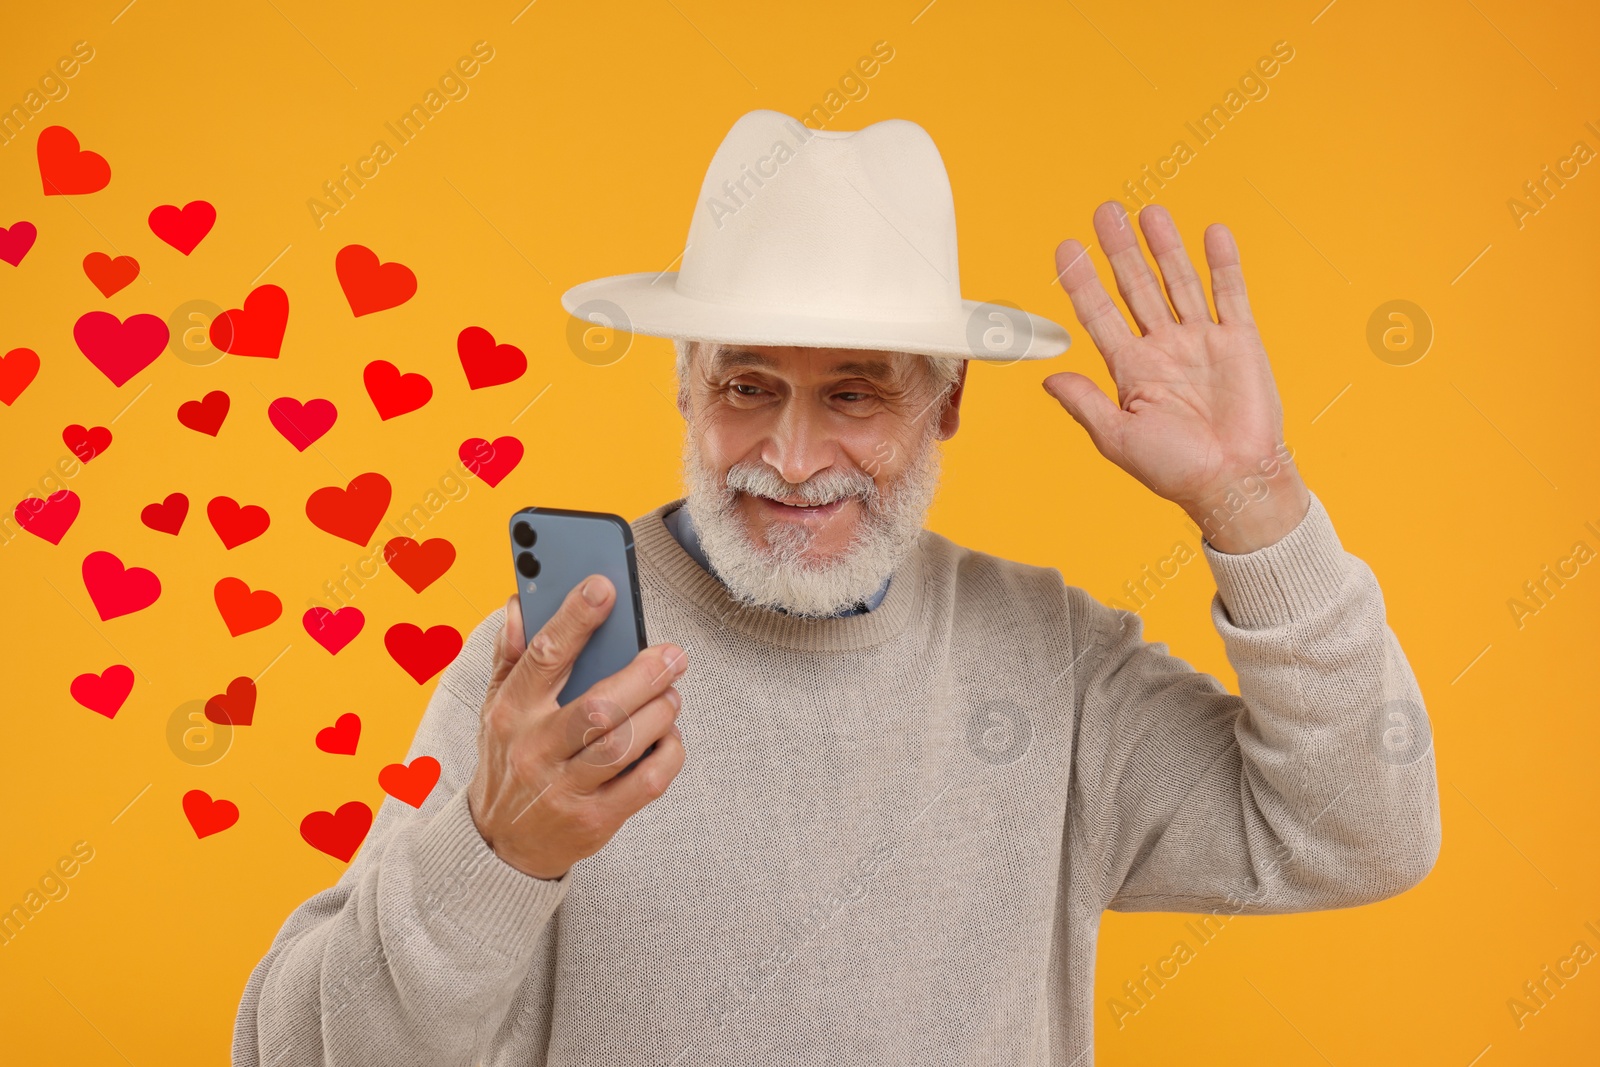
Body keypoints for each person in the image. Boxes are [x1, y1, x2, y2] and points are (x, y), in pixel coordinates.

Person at [232, 109, 1440, 1066]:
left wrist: (1255, 502)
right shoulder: (550, 673)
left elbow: (1360, 833)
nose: (793, 458)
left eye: (854, 394)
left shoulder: (1048, 659)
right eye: (747, 386)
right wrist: (495, 854)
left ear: (949, 399)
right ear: (684, 382)